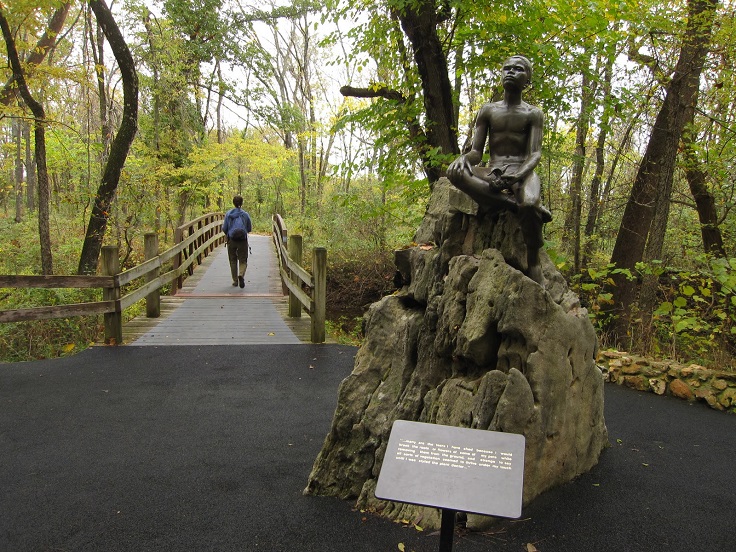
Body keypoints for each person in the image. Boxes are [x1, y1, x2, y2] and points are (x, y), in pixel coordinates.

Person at [447, 55, 551, 286]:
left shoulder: (533, 113)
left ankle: (533, 262)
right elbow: (476, 152)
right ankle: (514, 206)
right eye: (507, 69)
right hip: (493, 169)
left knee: (529, 202)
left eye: (518, 69)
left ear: (528, 79)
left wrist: (516, 175)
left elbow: (534, 154)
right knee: (454, 173)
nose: (511, 72)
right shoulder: (488, 110)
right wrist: (463, 158)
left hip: (521, 171)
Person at [222, 195, 252, 288]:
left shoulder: (228, 214)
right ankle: (241, 274)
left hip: (232, 240)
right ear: (242, 203)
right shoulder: (245, 215)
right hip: (242, 240)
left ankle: (235, 281)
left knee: (233, 260)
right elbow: (249, 228)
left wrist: (228, 234)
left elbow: (224, 228)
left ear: (233, 203)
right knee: (243, 260)